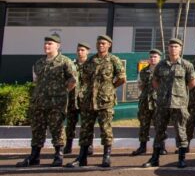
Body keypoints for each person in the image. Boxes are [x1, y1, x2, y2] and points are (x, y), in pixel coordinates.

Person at [16, 35, 76, 168]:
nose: (46, 46)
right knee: (37, 128)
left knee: (57, 128)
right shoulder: (39, 63)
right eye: (45, 44)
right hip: (39, 102)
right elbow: (36, 80)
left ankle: (58, 156)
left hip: (56, 102)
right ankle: (34, 156)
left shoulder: (65, 61)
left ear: (58, 46)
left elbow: (73, 80)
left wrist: (62, 92)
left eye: (50, 44)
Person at [67, 35, 125, 168]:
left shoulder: (113, 60)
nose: (101, 45)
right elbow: (83, 78)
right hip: (88, 101)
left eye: (103, 43)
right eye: (99, 43)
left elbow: (122, 78)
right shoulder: (90, 60)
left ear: (109, 45)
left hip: (105, 101)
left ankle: (106, 157)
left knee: (106, 129)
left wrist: (110, 88)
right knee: (85, 129)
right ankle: (82, 157)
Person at [142, 38, 195, 169]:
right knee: (159, 131)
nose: (173, 49)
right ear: (168, 49)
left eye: (176, 46)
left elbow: (192, 83)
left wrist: (180, 93)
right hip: (162, 104)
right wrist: (162, 92)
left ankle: (182, 159)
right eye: (171, 46)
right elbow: (155, 82)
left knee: (181, 131)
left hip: (179, 104)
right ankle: (155, 158)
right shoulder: (161, 65)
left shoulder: (186, 65)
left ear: (180, 49)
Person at [132, 48, 161, 156]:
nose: (153, 59)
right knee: (144, 125)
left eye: (155, 57)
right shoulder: (143, 71)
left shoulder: (162, 70)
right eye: (151, 57)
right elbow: (140, 85)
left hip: (158, 101)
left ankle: (161, 146)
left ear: (159, 58)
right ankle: (142, 147)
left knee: (159, 125)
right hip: (145, 101)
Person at [63, 42, 89, 155]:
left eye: (82, 50)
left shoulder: (91, 65)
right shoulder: (71, 65)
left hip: (86, 100)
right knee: (70, 125)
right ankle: (68, 146)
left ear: (87, 51)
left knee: (87, 124)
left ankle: (88, 146)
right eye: (78, 50)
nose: (80, 52)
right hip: (73, 100)